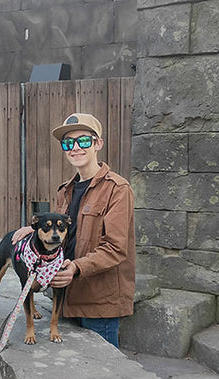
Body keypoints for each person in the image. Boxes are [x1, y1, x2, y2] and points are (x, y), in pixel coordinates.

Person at [13, 113, 135, 346]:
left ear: (98, 144)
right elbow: (62, 232)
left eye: (84, 141)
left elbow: (116, 248)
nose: (75, 147)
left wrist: (76, 268)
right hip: (66, 297)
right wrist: (32, 231)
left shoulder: (118, 189)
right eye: (68, 143)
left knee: (104, 376)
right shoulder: (65, 190)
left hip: (99, 305)